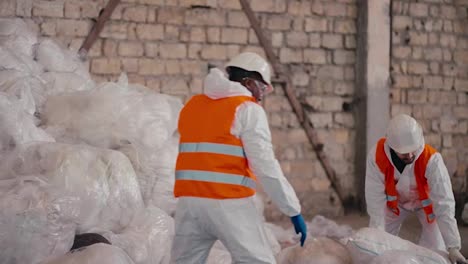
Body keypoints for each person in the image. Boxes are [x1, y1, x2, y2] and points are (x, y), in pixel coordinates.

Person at [171, 52, 307, 264]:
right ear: (248, 82)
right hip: (228, 203)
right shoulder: (247, 109)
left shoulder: (193, 105)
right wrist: (292, 209)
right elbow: (265, 165)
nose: (261, 96)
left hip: (189, 204)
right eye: (262, 88)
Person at [365, 114, 466, 264]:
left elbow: (444, 202)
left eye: (413, 149)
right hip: (395, 206)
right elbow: (375, 200)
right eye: (404, 152)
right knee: (378, 249)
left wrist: (453, 246)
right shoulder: (377, 156)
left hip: (426, 209)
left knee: (437, 254)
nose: (411, 155)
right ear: (392, 147)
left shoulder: (432, 160)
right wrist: (378, 237)